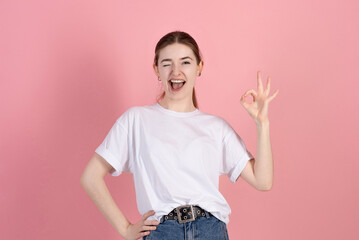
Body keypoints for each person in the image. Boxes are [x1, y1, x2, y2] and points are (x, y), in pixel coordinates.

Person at [80, 31, 279, 240]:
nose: (176, 71)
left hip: (211, 231)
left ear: (199, 67)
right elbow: (90, 177)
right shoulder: (136, 120)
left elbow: (262, 181)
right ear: (156, 69)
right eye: (167, 63)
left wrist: (262, 124)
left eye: (185, 62)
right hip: (163, 231)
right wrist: (125, 228)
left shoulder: (216, 127)